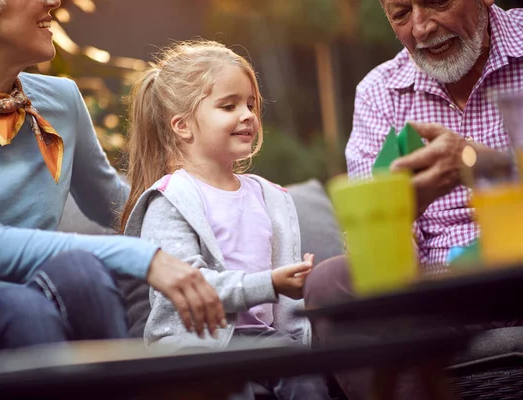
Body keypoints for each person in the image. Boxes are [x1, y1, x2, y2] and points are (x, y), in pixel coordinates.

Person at [0, 0, 226, 364]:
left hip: (38, 303)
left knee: (76, 274)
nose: (54, 1)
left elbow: (117, 205)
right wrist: (146, 260)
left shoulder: (60, 100)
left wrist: (220, 220)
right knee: (22, 307)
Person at [304, 1, 523, 399]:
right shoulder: (379, 92)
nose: (421, 28)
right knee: (330, 281)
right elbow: (375, 254)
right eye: (401, 13)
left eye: (437, 1)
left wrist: (482, 164)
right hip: (434, 297)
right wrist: (395, 216)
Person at [121, 40, 330, 400]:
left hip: (267, 341)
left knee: (308, 378)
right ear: (183, 126)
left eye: (250, 104)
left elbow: (283, 294)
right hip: (196, 348)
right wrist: (270, 284)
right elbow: (191, 289)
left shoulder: (270, 196)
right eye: (228, 105)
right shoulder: (169, 200)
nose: (247, 114)